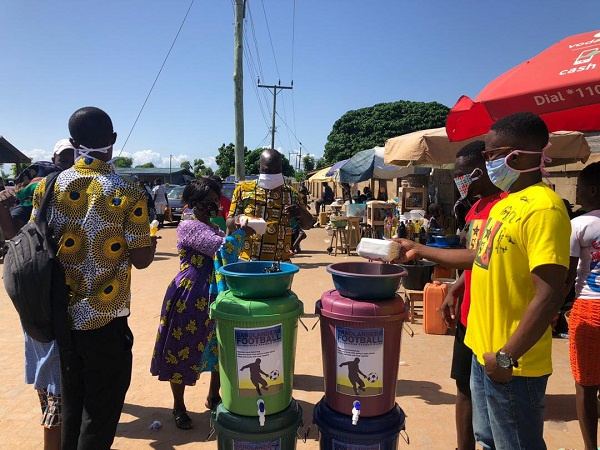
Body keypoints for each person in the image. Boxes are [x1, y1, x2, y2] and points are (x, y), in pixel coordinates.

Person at [390, 112, 570, 449]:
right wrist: (418, 249)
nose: (488, 164)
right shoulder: (505, 206)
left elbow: (549, 296)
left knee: (514, 444)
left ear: (517, 156)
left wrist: (506, 356)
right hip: (481, 350)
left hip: (513, 364)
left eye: (492, 156)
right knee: (487, 440)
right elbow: (479, 258)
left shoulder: (545, 208)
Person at [32, 107, 156, 449]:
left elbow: (37, 242)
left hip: (62, 319)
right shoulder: (129, 193)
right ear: (113, 141)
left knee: (72, 407)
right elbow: (143, 259)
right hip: (106, 321)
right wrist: (150, 241)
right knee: (99, 417)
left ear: (74, 143)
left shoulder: (48, 186)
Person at [150, 177, 252, 429]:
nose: (214, 206)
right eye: (208, 202)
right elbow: (221, 250)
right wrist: (242, 234)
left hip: (214, 295)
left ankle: (213, 396)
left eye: (216, 201)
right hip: (189, 295)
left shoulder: (211, 226)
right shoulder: (189, 226)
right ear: (194, 203)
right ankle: (178, 406)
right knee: (182, 347)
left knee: (218, 348)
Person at [0, 141, 74, 450]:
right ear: (56, 158)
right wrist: (3, 205)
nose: (71, 163)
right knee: (57, 380)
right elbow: (11, 232)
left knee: (53, 379)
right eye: (66, 157)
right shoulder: (40, 184)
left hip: (42, 296)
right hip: (47, 296)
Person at [440, 140, 503, 450]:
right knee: (463, 385)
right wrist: (457, 287)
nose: (459, 179)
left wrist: (421, 250)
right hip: (469, 314)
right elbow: (471, 262)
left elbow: (480, 255)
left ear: (482, 170)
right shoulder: (475, 208)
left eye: (463, 173)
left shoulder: (504, 205)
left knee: (491, 393)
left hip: (493, 317)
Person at [564, 162, 600, 450]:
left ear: (592, 190)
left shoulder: (580, 224)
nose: (576, 192)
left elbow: (567, 275)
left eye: (578, 187)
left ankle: (590, 447)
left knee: (586, 385)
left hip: (589, 308)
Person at [227, 148, 312, 261]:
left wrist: (300, 213)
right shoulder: (243, 190)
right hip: (248, 262)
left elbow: (308, 224)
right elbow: (229, 223)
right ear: (259, 168)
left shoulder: (292, 194)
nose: (272, 174)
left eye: (276, 171)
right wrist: (239, 220)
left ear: (281, 170)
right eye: (267, 171)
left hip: (280, 264)